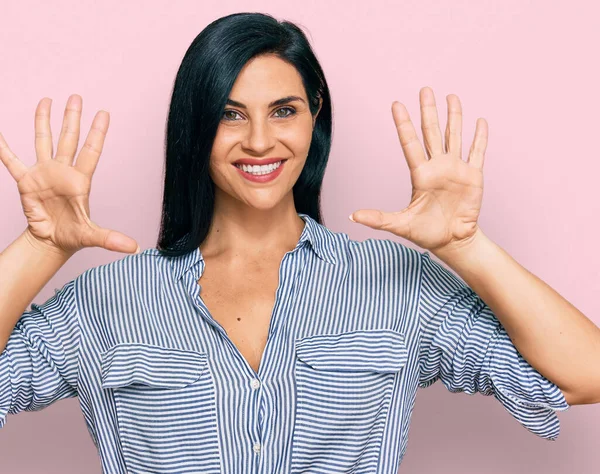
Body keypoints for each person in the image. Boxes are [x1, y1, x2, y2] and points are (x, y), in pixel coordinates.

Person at [0, 11, 598, 474]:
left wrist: (467, 246)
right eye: (230, 115)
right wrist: (40, 247)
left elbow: (586, 374)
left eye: (282, 110)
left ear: (315, 114)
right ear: (195, 125)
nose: (260, 141)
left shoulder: (394, 283)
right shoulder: (107, 300)